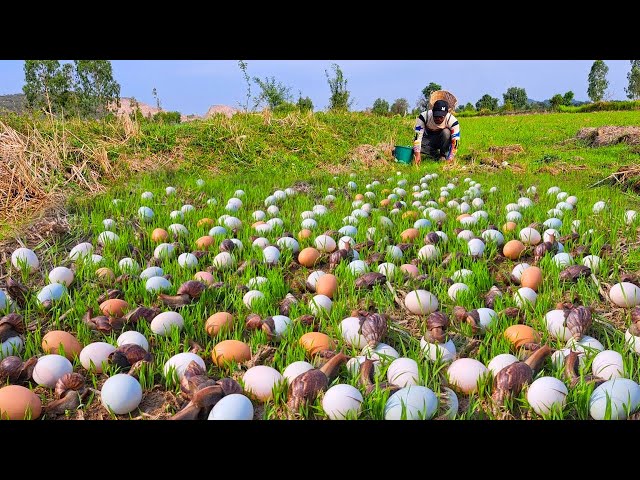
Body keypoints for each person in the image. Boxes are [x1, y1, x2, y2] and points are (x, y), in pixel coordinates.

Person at [412, 99, 460, 164]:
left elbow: (456, 142)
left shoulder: (452, 121)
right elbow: (417, 138)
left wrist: (450, 158)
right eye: (436, 116)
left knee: (446, 132)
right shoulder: (423, 117)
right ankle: (436, 154)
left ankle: (443, 155)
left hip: (443, 141)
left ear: (446, 114)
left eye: (441, 117)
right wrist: (417, 155)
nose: (438, 119)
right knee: (414, 149)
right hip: (428, 140)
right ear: (432, 112)